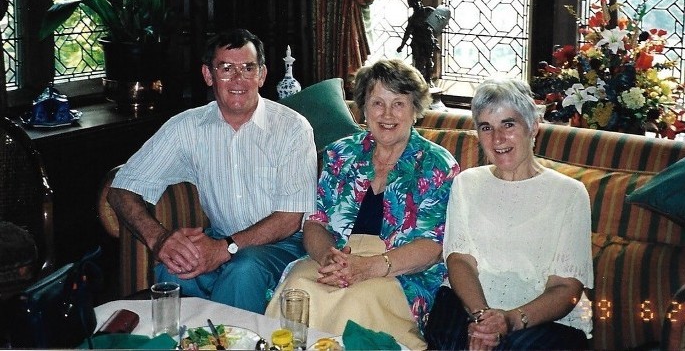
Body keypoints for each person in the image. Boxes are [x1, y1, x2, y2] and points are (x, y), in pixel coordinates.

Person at [107, 28, 318, 314]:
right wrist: (159, 239)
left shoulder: (292, 128)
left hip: (285, 246)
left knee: (243, 271)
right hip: (221, 236)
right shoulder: (187, 128)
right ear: (208, 75)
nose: (238, 79)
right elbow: (121, 189)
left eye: (248, 68)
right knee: (174, 272)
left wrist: (223, 249)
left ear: (263, 75)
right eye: (226, 68)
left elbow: (289, 219)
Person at [265, 59, 460, 349]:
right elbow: (316, 221)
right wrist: (329, 258)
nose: (387, 114)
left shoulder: (437, 164)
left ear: (415, 110)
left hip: (400, 271)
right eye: (377, 103)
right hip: (339, 258)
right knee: (298, 290)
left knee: (356, 303)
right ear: (363, 108)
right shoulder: (341, 153)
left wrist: (368, 267)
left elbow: (434, 246)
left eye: (399, 104)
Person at [424, 78, 593, 350]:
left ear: (533, 127)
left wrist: (508, 321)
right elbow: (459, 261)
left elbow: (566, 288)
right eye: (486, 127)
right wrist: (483, 319)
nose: (498, 138)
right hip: (467, 307)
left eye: (509, 124)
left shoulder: (570, 194)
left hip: (540, 321)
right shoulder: (466, 183)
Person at [397, 0, 440, 86]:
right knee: (418, 64)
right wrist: (402, 46)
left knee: (429, 62)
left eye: (417, 2)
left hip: (428, 41)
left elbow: (438, 22)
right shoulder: (412, 19)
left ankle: (428, 80)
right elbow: (407, 33)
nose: (416, 4)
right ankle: (419, 82)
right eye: (414, 3)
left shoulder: (428, 11)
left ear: (420, 1)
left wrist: (434, 39)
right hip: (417, 42)